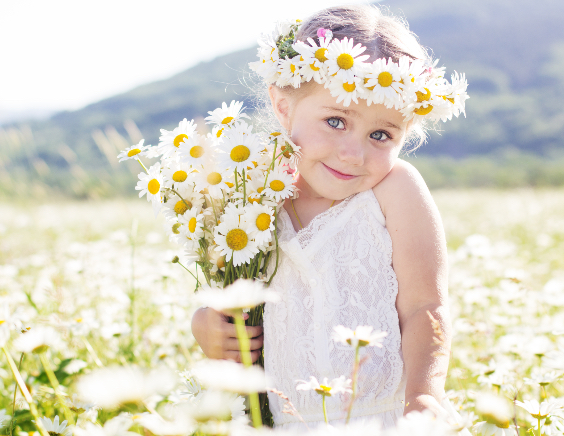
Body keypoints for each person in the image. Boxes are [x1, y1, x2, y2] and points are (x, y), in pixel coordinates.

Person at [191, 4, 468, 429]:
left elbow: (425, 306)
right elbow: (227, 294)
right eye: (336, 120)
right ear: (282, 105)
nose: (353, 153)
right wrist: (207, 326)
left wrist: (424, 395)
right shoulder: (249, 193)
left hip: (381, 419)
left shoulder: (395, 191)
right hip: (283, 422)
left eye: (381, 134)